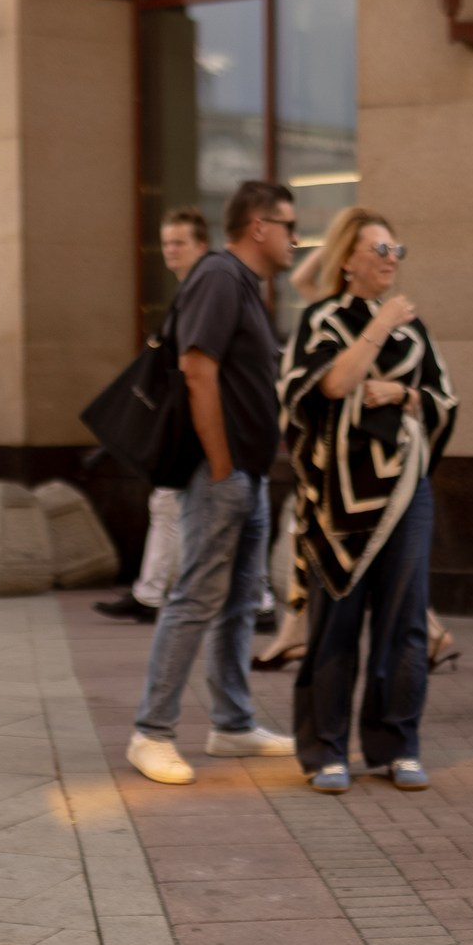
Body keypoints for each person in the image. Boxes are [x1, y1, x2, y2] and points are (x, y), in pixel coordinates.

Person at [126, 180, 300, 784]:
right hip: (218, 473)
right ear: (258, 226)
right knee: (196, 597)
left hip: (247, 474)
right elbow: (197, 369)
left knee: (238, 603)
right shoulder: (221, 277)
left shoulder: (244, 285)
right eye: (288, 225)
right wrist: (223, 465)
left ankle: (232, 723)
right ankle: (151, 732)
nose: (295, 238)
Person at [280, 209, 458, 791]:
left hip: (407, 490)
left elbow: (442, 400)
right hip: (338, 496)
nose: (390, 259)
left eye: (395, 249)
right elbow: (326, 386)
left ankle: (396, 744)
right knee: (336, 622)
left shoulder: (416, 330)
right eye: (378, 249)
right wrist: (379, 327)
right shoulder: (323, 320)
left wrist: (402, 393)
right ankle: (326, 750)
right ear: (347, 260)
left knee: (405, 625)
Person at [99, 208, 213, 626]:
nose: (170, 250)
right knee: (168, 504)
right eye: (166, 243)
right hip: (186, 420)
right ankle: (150, 592)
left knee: (213, 512)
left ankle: (258, 600)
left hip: (201, 423)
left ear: (201, 245)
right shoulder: (190, 293)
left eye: (179, 242)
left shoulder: (204, 293)